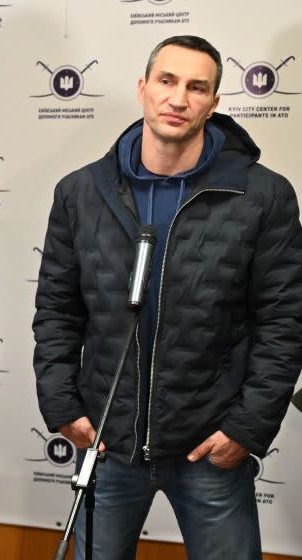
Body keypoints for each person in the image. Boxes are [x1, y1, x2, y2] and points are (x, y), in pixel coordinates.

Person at [33, 35, 302, 559]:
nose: (179, 99)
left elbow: (284, 322)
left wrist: (247, 428)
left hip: (210, 446)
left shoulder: (264, 195)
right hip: (108, 443)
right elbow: (57, 310)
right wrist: (61, 402)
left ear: (215, 102)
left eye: (197, 87)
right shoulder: (81, 192)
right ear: (143, 88)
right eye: (167, 81)